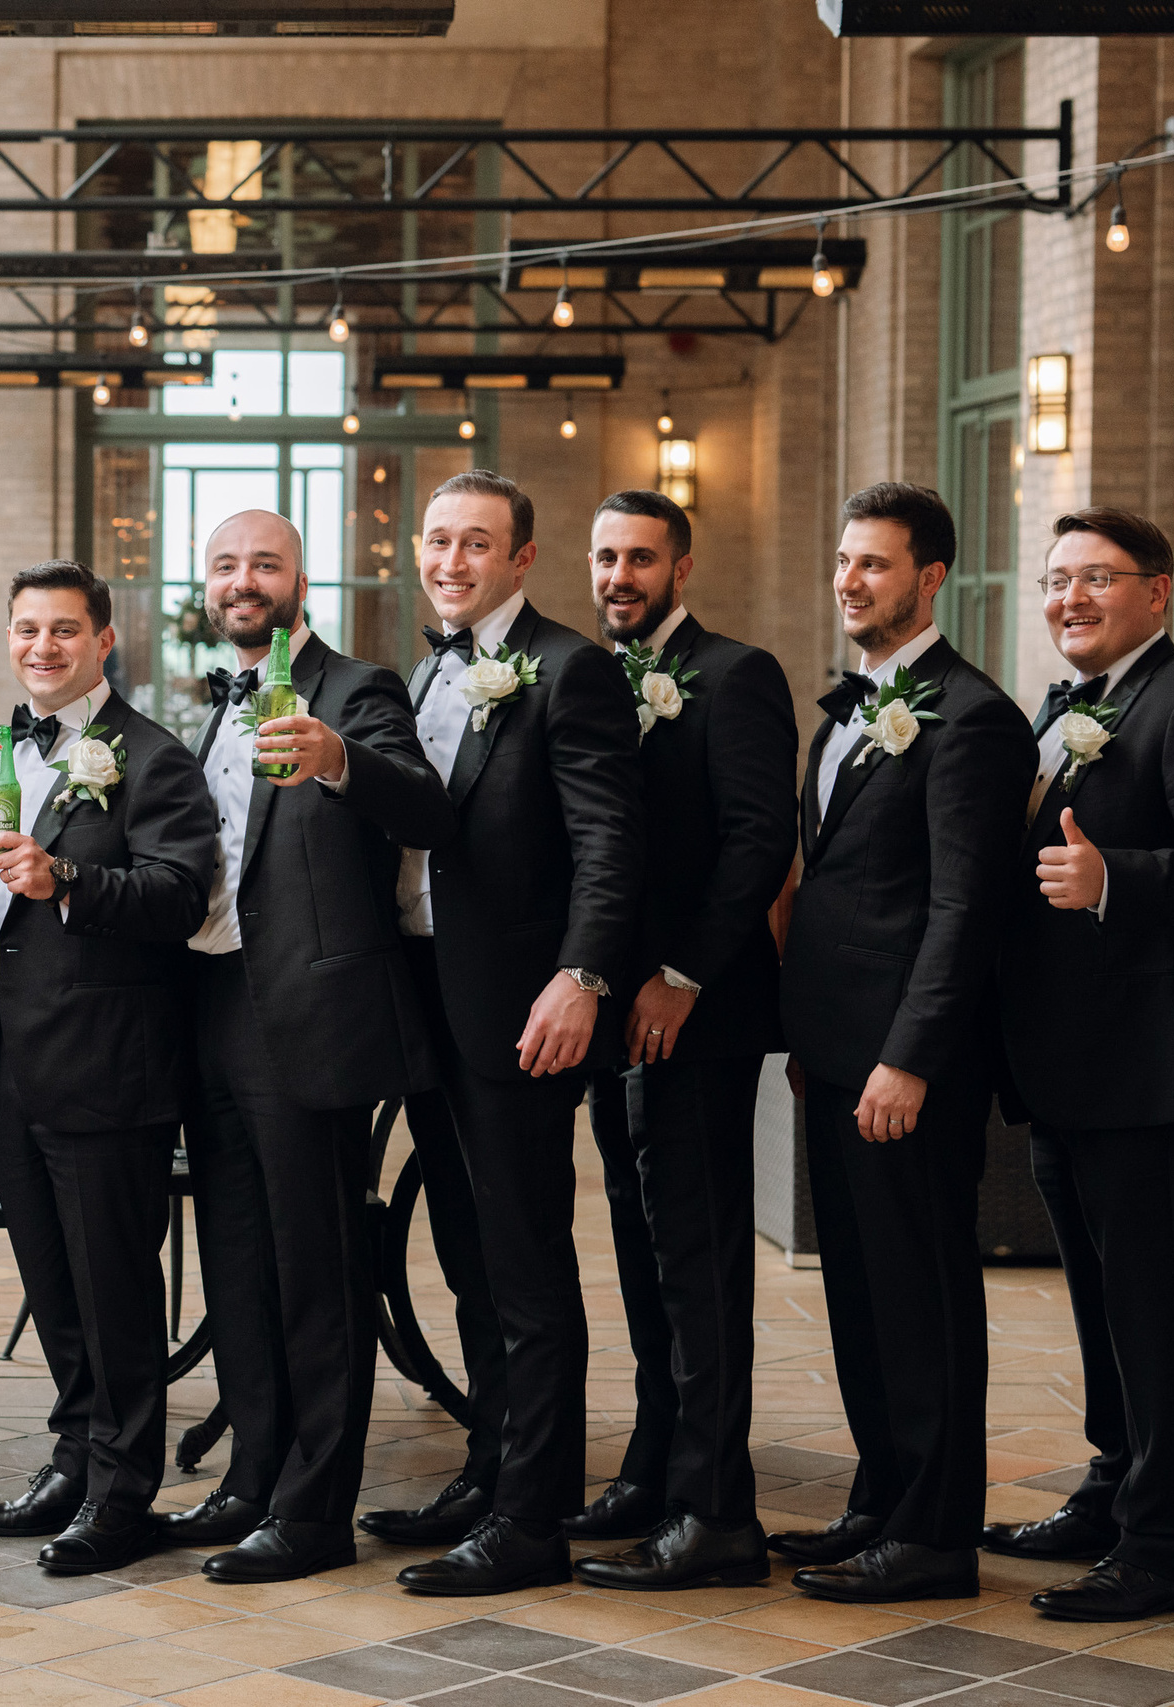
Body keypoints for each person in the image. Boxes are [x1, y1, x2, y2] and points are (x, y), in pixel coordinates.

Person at [989, 507, 1174, 1621]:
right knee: (1102, 1308)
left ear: (1155, 591)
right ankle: (1113, 1489)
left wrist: (1116, 879)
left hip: (1161, 1075)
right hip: (1075, 1067)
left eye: (1096, 577)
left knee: (1158, 1318)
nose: (1069, 597)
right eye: (1057, 579)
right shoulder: (1068, 708)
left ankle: (1163, 1546)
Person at [158, 508, 449, 1584]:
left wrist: (338, 761)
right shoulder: (207, 707)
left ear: (301, 582)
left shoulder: (359, 689)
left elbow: (425, 807)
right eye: (225, 565)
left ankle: (317, 1510)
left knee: (317, 1265)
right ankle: (253, 1478)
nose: (243, 581)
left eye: (264, 564)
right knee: (237, 1258)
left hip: (307, 1013)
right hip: (209, 1001)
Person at [368, 471, 644, 1598]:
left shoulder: (569, 668)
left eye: (475, 543)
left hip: (521, 1007)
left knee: (526, 1264)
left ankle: (532, 1518)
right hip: (426, 997)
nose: (451, 561)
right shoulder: (426, 670)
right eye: (438, 541)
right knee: (466, 1257)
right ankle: (490, 1468)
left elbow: (610, 842)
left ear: (521, 557)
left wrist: (581, 976)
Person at [773, 481, 1035, 1604]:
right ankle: (880, 1498)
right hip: (835, 1053)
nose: (849, 580)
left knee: (920, 1295)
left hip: (904, 1065)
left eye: (873, 564)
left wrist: (910, 1056)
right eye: (844, 560)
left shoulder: (972, 719)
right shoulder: (849, 708)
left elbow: (963, 908)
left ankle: (934, 1535)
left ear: (929, 578)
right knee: (861, 1293)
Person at [0, 560, 218, 1575]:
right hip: (15, 1062)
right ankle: (73, 1460)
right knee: (54, 1286)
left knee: (114, 1293)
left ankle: (122, 1492)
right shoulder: (2, 747)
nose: (42, 647)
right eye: (27, 629)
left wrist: (66, 874)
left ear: (104, 641)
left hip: (109, 1068)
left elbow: (179, 894)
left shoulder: (152, 757)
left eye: (64, 630)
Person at [567, 491, 797, 1591]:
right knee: (641, 1248)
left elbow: (758, 839)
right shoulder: (588, 676)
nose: (620, 576)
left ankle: (717, 1514)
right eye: (606, 557)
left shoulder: (735, 674)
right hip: (616, 1015)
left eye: (641, 558)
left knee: (699, 1264)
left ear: (680, 567)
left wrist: (683, 976)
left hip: (695, 1017)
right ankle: (656, 1466)